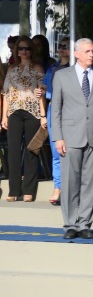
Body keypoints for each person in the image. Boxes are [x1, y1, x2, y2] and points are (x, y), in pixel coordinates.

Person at [51, 38, 93, 240]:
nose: (92, 54)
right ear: (76, 53)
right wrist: (58, 137)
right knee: (69, 182)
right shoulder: (62, 76)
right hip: (69, 137)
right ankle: (70, 223)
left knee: (90, 182)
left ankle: (85, 223)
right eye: (87, 51)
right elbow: (56, 110)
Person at [2, 36, 47, 202]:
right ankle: (13, 189)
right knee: (13, 151)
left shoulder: (38, 68)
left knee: (31, 150)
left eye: (27, 48)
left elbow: (42, 93)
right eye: (21, 48)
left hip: (33, 111)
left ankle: (29, 189)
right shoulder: (11, 69)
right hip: (14, 111)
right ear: (17, 51)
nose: (24, 51)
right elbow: (6, 93)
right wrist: (3, 116)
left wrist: (43, 115)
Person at [40, 37, 70, 205]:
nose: (61, 49)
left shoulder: (76, 69)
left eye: (65, 46)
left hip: (72, 111)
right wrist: (43, 115)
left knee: (72, 151)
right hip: (54, 110)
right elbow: (43, 91)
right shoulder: (52, 68)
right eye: (60, 46)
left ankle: (70, 188)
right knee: (56, 151)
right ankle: (58, 187)